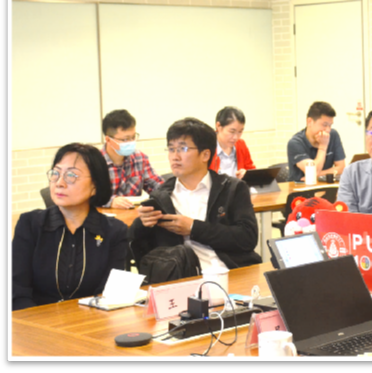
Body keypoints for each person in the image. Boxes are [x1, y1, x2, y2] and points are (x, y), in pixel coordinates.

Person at [130, 118, 260, 273]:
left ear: (205, 155)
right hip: (182, 276)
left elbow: (247, 238)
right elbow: (137, 246)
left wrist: (193, 228)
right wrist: (141, 224)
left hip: (228, 272)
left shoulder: (232, 189)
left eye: (183, 149)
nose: (175, 156)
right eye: (171, 149)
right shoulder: (161, 196)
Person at [13, 144, 127, 311]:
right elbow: (17, 290)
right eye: (56, 173)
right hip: (33, 320)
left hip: (89, 322)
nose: (59, 183)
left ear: (95, 186)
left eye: (71, 176)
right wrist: (36, 323)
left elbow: (107, 295)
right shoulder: (30, 224)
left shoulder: (114, 232)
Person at [101, 109, 164, 209]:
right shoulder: (94, 162)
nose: (131, 142)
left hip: (134, 215)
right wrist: (110, 201)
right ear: (108, 140)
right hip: (105, 217)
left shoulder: (139, 158)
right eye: (125, 139)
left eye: (133, 137)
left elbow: (156, 186)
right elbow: (87, 197)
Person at [287, 101, 346, 182]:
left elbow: (341, 168)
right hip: (301, 187)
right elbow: (313, 171)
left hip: (325, 185)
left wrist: (317, 175)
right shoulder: (295, 143)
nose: (328, 130)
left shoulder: (333, 135)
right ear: (309, 122)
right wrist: (323, 146)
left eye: (330, 125)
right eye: (324, 125)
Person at [210, 106, 255, 179]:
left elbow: (251, 170)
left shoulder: (241, 145)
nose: (236, 137)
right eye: (232, 132)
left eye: (240, 132)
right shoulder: (207, 146)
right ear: (218, 126)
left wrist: (247, 175)